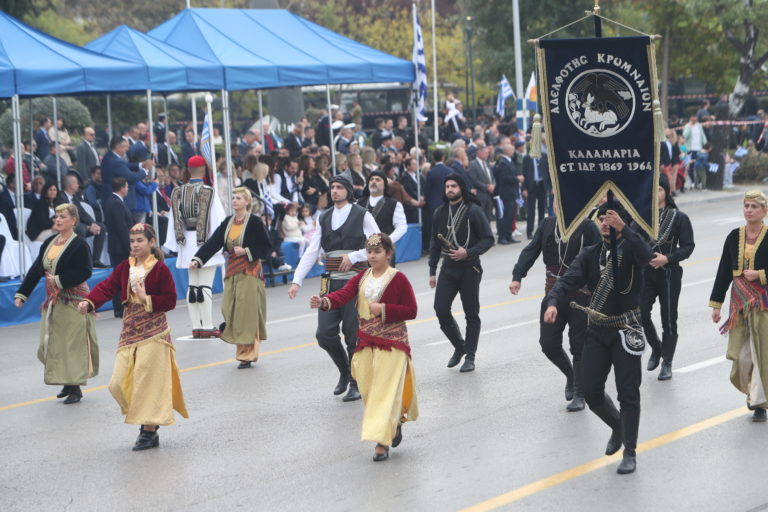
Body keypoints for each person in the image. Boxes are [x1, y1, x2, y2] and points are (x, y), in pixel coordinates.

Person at [544, 202, 652, 475]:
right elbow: (567, 280)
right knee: (591, 391)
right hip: (597, 330)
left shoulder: (631, 248)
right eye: (602, 218)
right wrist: (554, 301)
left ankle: (630, 451)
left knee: (628, 393)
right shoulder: (590, 254)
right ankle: (618, 425)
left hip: (626, 329)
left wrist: (625, 229)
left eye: (610, 218)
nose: (604, 222)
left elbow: (647, 255)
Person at [79, 223, 188, 451]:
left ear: (151, 242)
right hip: (129, 331)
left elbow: (169, 300)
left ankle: (148, 431)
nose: (135, 245)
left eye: (140, 240)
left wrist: (145, 296)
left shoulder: (159, 269)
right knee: (118, 382)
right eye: (132, 241)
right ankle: (146, 418)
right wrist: (89, 303)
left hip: (154, 334)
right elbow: (107, 287)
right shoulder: (124, 267)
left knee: (147, 384)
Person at [310, 233, 418, 461]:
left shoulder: (398, 279)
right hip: (366, 342)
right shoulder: (362, 277)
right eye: (369, 251)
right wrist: (324, 302)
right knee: (369, 391)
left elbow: (411, 310)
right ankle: (395, 422)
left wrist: (385, 309)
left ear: (388, 254)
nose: (372, 256)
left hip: (393, 344)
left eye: (377, 251)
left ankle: (381, 441)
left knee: (383, 393)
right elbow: (343, 295)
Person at [288, 175, 380, 402]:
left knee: (352, 335)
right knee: (325, 334)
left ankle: (355, 383)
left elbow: (379, 242)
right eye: (332, 188)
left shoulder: (361, 214)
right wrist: (297, 280)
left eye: (339, 187)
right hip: (330, 281)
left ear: (348, 190)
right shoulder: (324, 216)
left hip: (354, 280)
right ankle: (345, 371)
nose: (335, 191)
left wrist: (356, 255)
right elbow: (312, 250)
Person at [510, 213, 600, 411]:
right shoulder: (547, 224)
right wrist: (518, 275)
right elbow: (531, 250)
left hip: (581, 295)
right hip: (553, 296)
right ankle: (571, 375)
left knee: (579, 346)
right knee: (548, 344)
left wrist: (597, 291)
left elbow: (599, 259)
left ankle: (579, 393)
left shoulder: (588, 227)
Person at [14, 204, 99, 404]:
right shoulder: (50, 243)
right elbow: (37, 269)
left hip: (74, 301)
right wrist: (22, 294)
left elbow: (85, 271)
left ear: (74, 220)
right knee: (55, 343)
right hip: (55, 301)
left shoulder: (79, 244)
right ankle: (67, 383)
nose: (58, 220)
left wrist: (60, 280)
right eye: (56, 217)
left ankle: (75, 388)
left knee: (72, 344)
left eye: (62, 216)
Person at [191, 188, 272, 369]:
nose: (234, 201)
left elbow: (266, 246)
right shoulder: (228, 222)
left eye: (238, 198)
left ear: (246, 202)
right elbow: (214, 242)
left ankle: (247, 355)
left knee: (246, 313)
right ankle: (241, 348)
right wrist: (198, 259)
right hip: (232, 271)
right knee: (229, 309)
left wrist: (246, 251)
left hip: (250, 272)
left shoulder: (254, 222)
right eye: (233, 197)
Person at [709, 190, 768, 422]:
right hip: (739, 303)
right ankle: (752, 392)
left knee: (761, 352)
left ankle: (759, 402)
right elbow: (724, 270)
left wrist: (761, 274)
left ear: (764, 211)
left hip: (763, 303)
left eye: (754, 206)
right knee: (742, 355)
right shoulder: (734, 236)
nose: (749, 210)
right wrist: (717, 304)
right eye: (746, 206)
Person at [429, 174, 494, 373]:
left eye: (453, 186)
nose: (449, 189)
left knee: (471, 313)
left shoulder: (473, 211)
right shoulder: (440, 212)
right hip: (448, 269)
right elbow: (434, 243)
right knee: (440, 309)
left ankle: (470, 356)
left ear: (461, 188)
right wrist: (432, 270)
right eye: (447, 186)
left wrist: (469, 252)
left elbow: (488, 239)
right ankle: (459, 346)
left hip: (470, 268)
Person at [641, 174, 695, 381]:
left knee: (669, 319)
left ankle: (667, 361)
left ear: (666, 192)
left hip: (669, 273)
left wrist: (668, 258)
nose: (656, 194)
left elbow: (688, 247)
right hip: (647, 272)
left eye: (660, 189)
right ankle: (656, 347)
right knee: (641, 314)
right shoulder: (643, 216)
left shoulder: (678, 217)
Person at [164, 156, 225, 338]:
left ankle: (196, 326)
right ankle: (206, 325)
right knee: (204, 285)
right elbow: (218, 222)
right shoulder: (208, 191)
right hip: (205, 243)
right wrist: (221, 244)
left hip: (186, 244)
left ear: (188, 170)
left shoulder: (177, 192)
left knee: (193, 285)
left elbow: (173, 222)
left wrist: (177, 243)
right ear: (204, 170)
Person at [59, 175, 107, 268]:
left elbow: (83, 213)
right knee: (80, 229)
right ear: (70, 185)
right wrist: (87, 227)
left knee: (101, 227)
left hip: (78, 224)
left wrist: (93, 224)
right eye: (76, 183)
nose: (78, 185)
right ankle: (82, 261)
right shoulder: (60, 197)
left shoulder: (74, 197)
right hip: (66, 225)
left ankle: (95, 260)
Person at [104, 178, 134, 316]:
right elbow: (121, 227)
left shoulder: (114, 201)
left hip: (117, 246)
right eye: (126, 187)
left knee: (122, 276)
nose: (127, 189)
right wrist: (130, 246)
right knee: (122, 277)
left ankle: (121, 306)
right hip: (120, 247)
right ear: (122, 188)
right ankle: (120, 307)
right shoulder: (116, 203)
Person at [100, 136, 152, 212]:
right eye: (125, 147)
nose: (127, 149)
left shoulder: (110, 156)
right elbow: (131, 178)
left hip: (111, 198)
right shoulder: (115, 161)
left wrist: (141, 164)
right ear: (118, 146)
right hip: (116, 201)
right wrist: (145, 169)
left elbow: (126, 165)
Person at [357, 171, 407, 248]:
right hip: (362, 249)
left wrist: (387, 241)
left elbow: (402, 227)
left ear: (384, 185)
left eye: (378, 180)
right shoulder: (358, 203)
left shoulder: (394, 204)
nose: (374, 181)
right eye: (371, 179)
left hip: (384, 249)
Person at [495, 143, 524, 244]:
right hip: (506, 194)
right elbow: (504, 178)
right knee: (506, 216)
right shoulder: (503, 163)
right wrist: (517, 178)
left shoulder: (510, 161)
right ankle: (502, 237)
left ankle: (508, 235)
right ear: (507, 151)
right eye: (512, 150)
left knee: (511, 216)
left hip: (513, 193)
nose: (513, 152)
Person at [467, 142, 496, 222]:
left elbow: (492, 177)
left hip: (489, 195)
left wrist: (493, 185)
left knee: (488, 218)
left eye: (488, 153)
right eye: (485, 153)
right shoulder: (473, 164)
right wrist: (486, 187)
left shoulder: (487, 164)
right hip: (480, 195)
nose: (487, 155)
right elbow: (474, 179)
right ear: (479, 152)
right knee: (480, 219)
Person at [523, 149, 548, 239]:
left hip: (542, 186)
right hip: (531, 186)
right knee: (531, 210)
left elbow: (548, 171)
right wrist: (524, 188)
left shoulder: (544, 156)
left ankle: (541, 231)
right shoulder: (527, 158)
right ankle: (529, 232)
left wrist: (550, 186)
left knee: (542, 210)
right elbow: (524, 173)